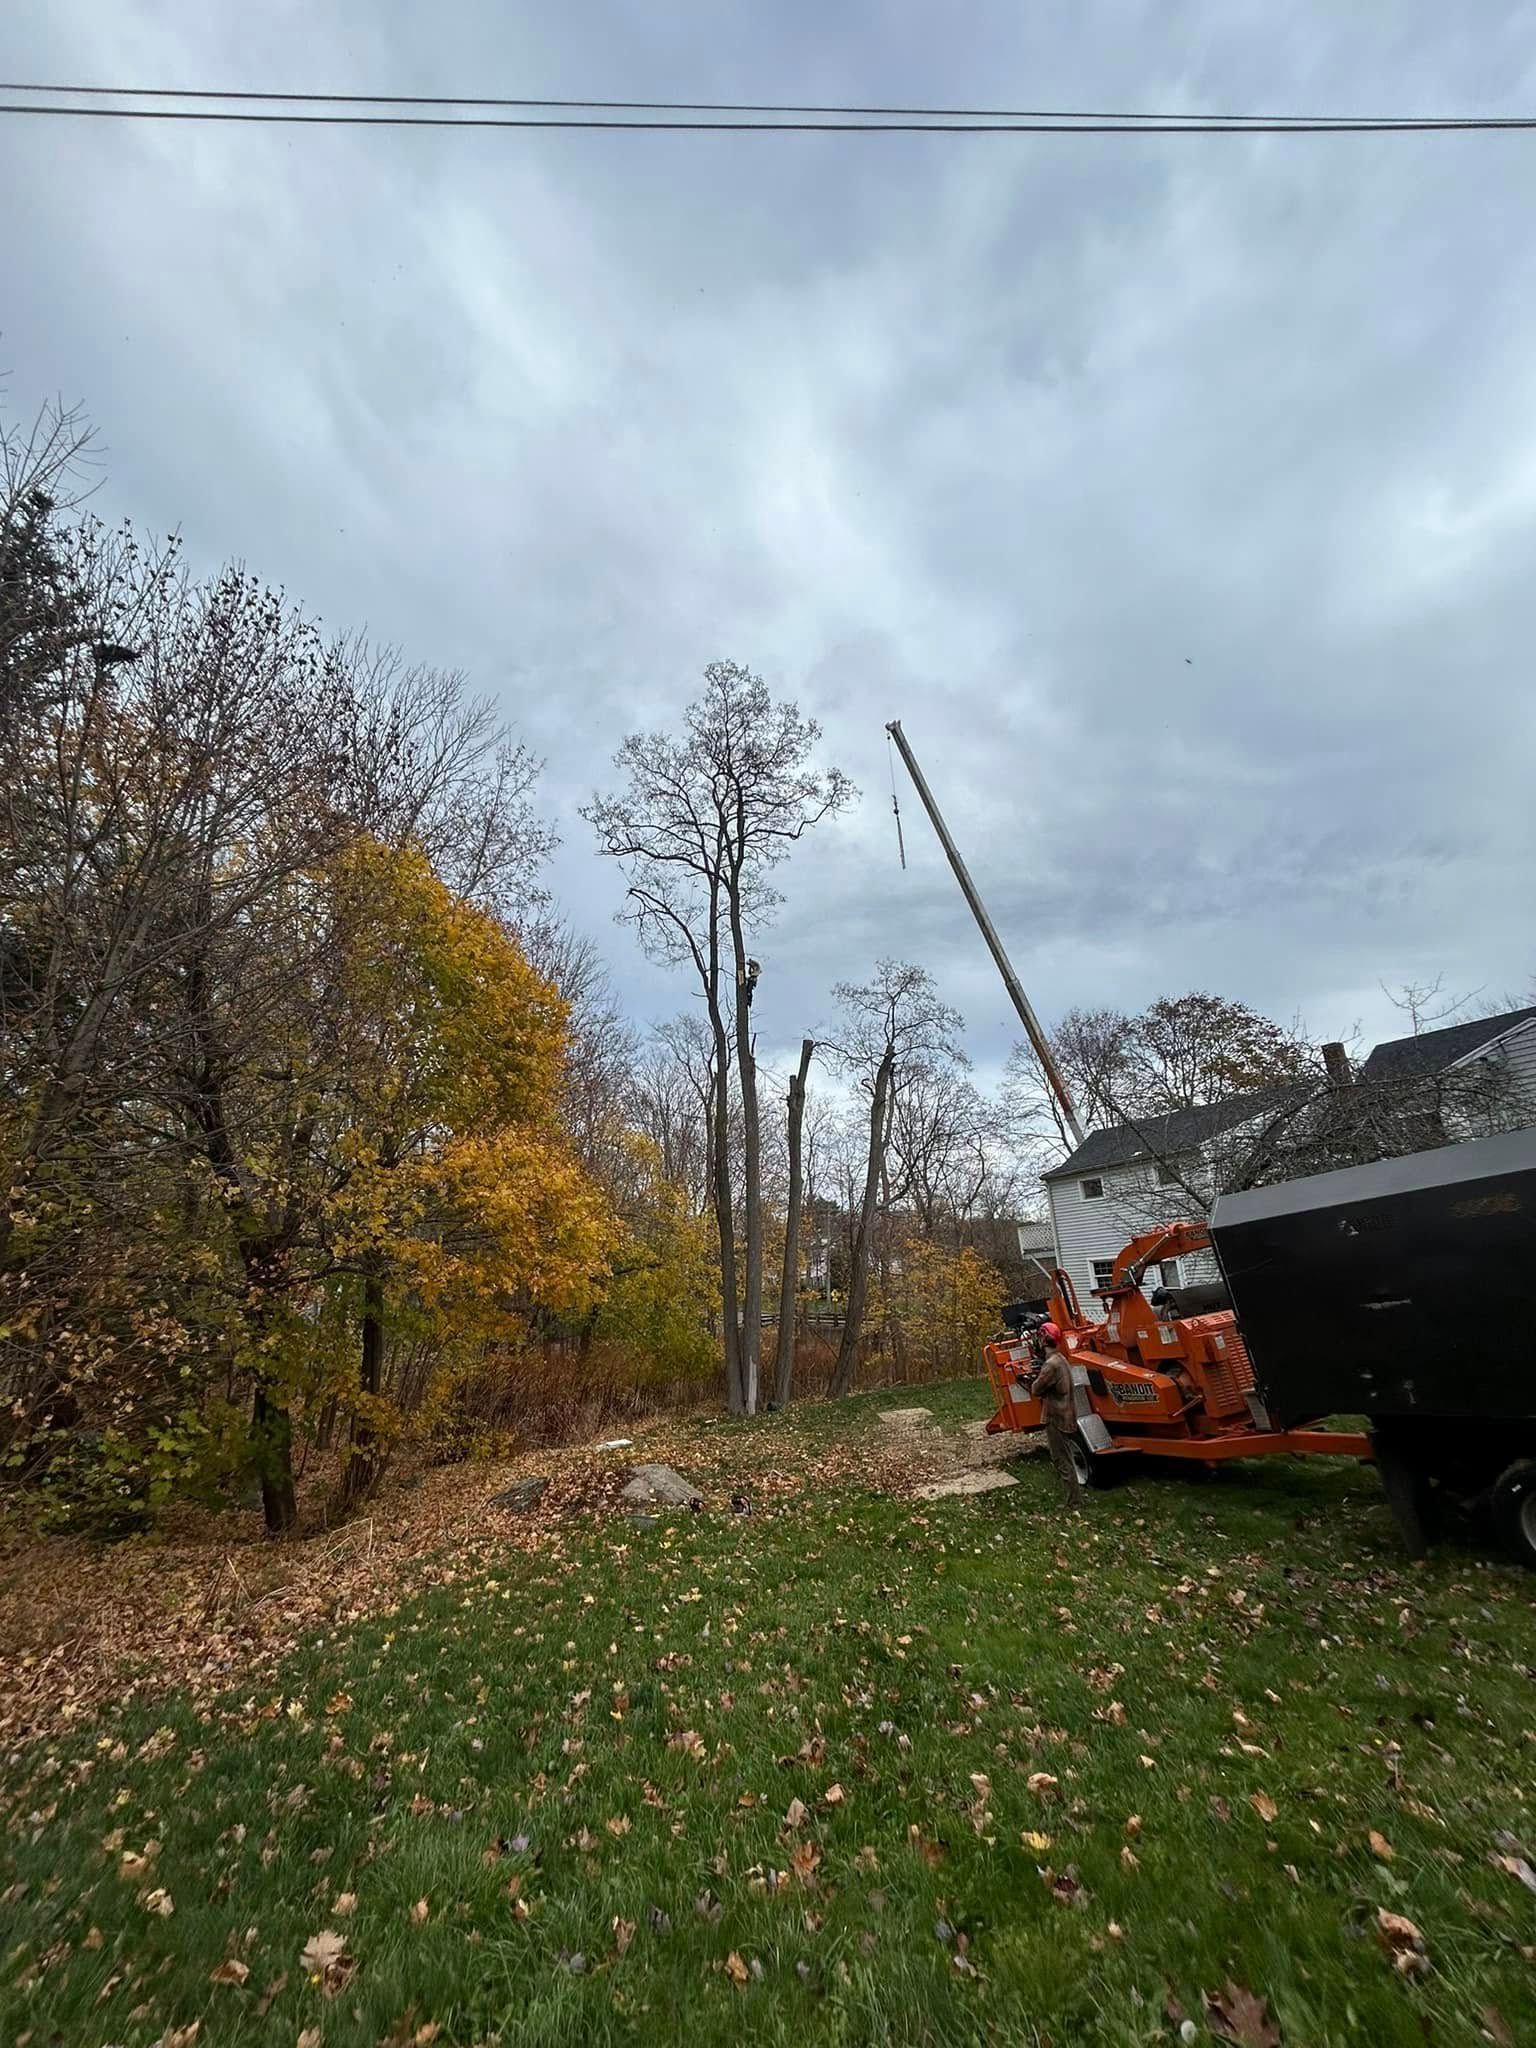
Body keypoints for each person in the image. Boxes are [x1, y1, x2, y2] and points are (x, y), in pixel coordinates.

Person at [1030, 1321, 1082, 1513]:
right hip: (1066, 1413)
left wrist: (1035, 1374)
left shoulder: (1050, 1366)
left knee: (1062, 1459)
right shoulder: (1061, 1359)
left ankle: (1073, 1502)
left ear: (1044, 1340)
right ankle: (1074, 1499)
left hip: (1056, 1417)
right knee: (1065, 1457)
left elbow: (1036, 1389)